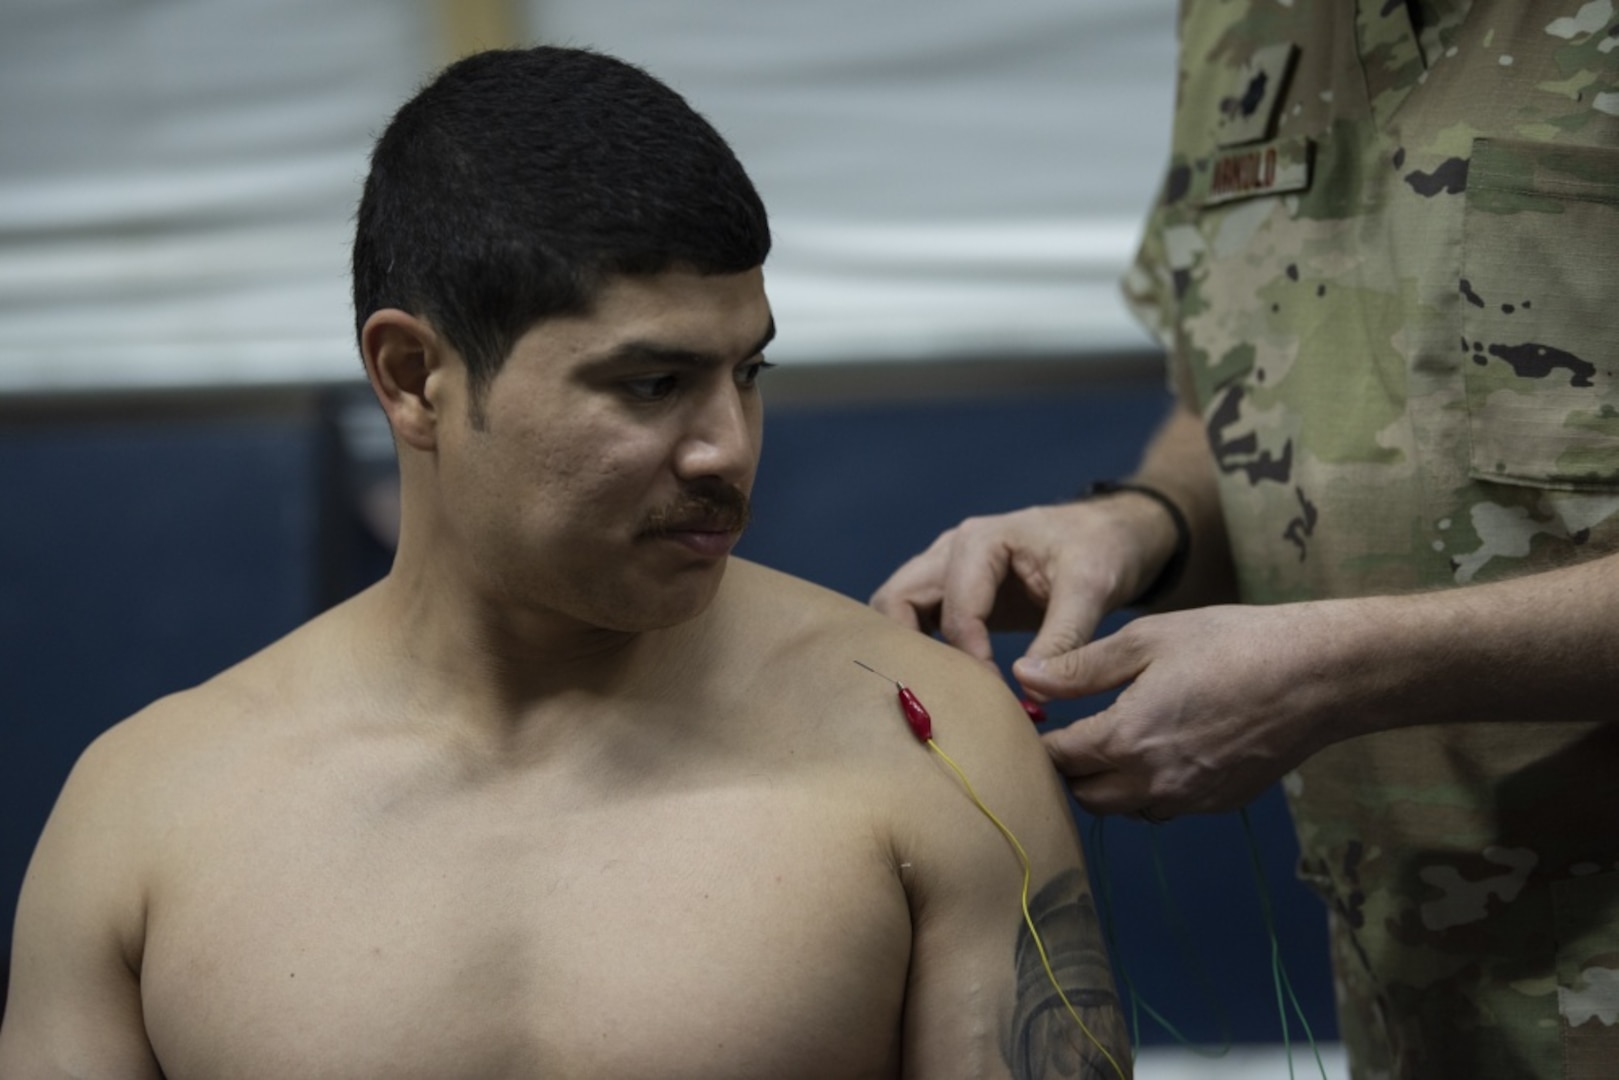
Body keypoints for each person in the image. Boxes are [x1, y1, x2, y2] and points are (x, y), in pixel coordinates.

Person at [0, 46, 1129, 1079]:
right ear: (410, 378)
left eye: (749, 373)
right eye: (649, 385)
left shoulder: (926, 748)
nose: (726, 448)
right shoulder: (145, 813)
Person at [873, 3, 1619, 1078]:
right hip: (1420, 997)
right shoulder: (1239, 21)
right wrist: (1142, 524)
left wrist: (1338, 667)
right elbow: (1248, 384)